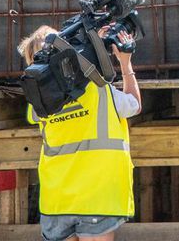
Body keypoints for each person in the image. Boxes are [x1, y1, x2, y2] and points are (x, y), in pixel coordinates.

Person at [18, 24, 140, 241]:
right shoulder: (99, 90)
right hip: (98, 199)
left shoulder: (38, 105)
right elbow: (134, 105)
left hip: (56, 201)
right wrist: (125, 64)